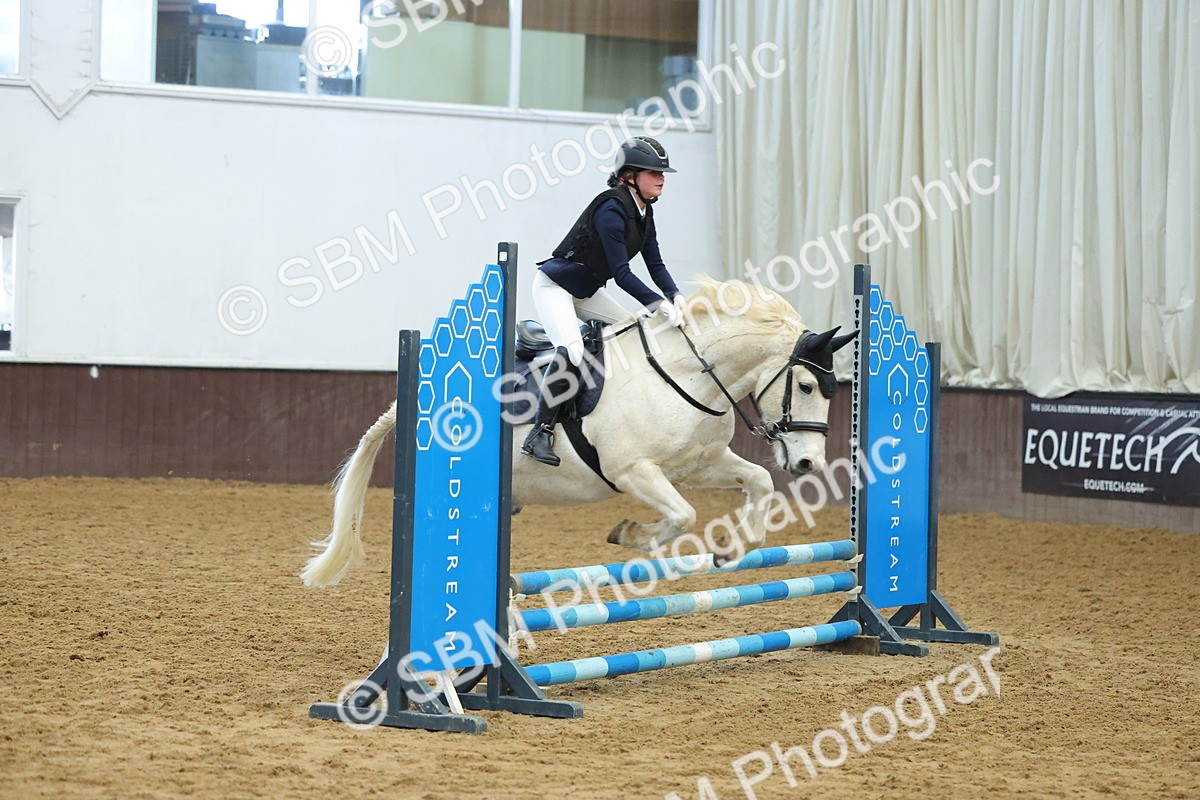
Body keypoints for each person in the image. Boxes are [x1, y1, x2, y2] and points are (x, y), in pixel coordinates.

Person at [522, 136, 687, 467]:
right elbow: (622, 274)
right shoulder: (611, 209)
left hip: (585, 290)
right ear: (629, 176)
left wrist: (676, 296)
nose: (661, 179)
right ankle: (539, 432)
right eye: (653, 172)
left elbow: (655, 264)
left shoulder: (644, 213)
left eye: (662, 173)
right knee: (572, 350)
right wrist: (658, 305)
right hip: (555, 287)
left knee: (632, 333)